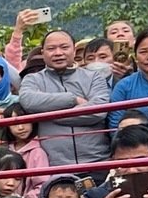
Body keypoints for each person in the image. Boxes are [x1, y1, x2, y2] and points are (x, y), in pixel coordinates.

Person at [17, 29, 112, 167]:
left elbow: (98, 111)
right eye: (51, 48)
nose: (58, 53)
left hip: (97, 160)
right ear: (43, 53)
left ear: (74, 50)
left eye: (64, 47)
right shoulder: (33, 79)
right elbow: (28, 100)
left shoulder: (93, 77)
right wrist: (72, 99)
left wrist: (47, 114)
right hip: (54, 165)